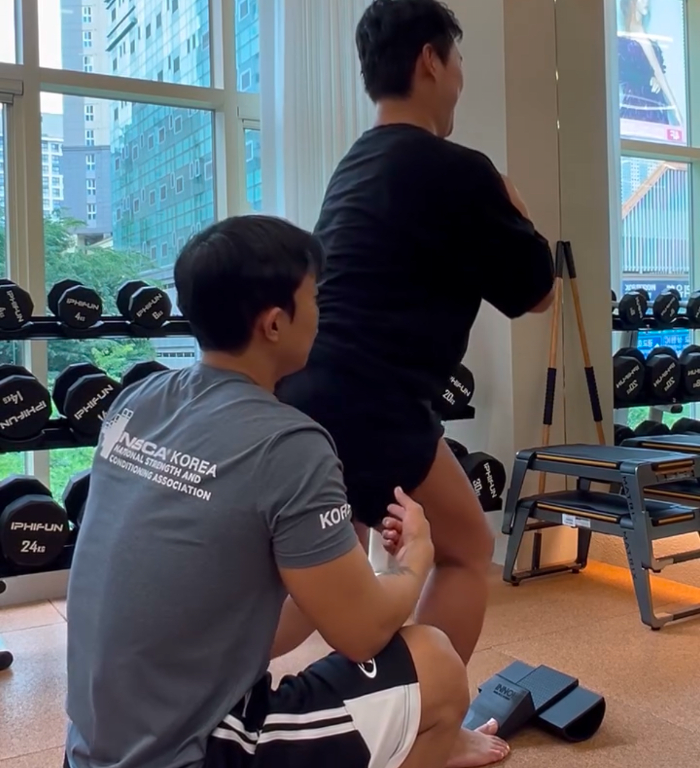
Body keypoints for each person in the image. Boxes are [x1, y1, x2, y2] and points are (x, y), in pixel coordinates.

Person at [63, 215, 509, 768]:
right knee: (436, 666)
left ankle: (421, 743)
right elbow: (363, 634)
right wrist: (413, 561)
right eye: (315, 299)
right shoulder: (289, 442)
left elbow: (258, 626)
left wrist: (342, 570)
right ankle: (433, 739)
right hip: (188, 752)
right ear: (275, 324)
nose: (322, 314)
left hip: (93, 746)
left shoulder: (138, 400)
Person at [275, 0, 555, 759]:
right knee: (466, 547)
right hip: (376, 398)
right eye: (458, 61)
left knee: (324, 564)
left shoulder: (356, 162)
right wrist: (515, 204)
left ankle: (197, 671)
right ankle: (433, 727)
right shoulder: (458, 170)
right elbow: (537, 291)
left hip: (305, 389)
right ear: (431, 59)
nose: (461, 78)